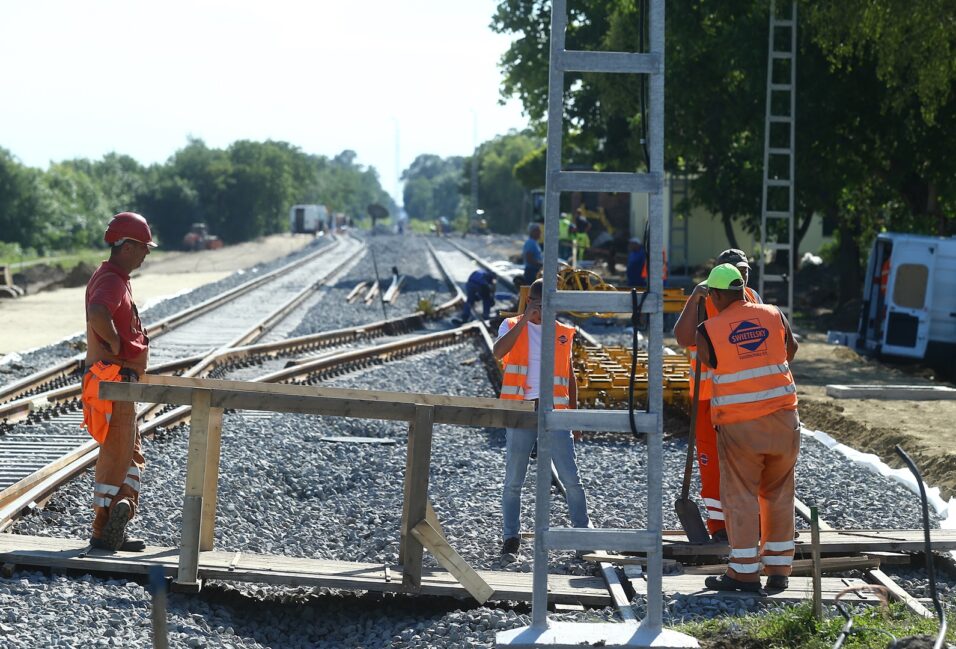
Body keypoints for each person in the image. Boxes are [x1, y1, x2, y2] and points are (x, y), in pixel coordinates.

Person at [694, 263, 799, 595]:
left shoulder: (708, 328)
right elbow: (791, 350)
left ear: (720, 293)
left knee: (740, 497)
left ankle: (743, 573)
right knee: (779, 493)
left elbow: (710, 361)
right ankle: (779, 570)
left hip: (740, 424)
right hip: (785, 420)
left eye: (712, 293)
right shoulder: (773, 314)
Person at [493, 279, 591, 560]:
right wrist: (525, 319)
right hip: (521, 411)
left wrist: (574, 416)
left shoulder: (563, 332)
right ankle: (511, 536)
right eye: (538, 304)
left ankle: (582, 536)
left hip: (555, 412)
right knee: (514, 479)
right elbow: (499, 352)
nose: (544, 310)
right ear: (530, 302)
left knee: (571, 478)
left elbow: (569, 375)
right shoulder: (511, 326)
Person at [673, 248, 762, 542]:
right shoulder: (705, 300)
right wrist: (694, 299)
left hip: (742, 397)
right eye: (737, 269)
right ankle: (719, 526)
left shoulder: (754, 299)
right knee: (712, 463)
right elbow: (683, 337)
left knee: (747, 462)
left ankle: (751, 522)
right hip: (707, 398)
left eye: (746, 269)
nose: (744, 274)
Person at [82, 212, 156, 552]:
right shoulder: (111, 280)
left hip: (120, 382)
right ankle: (102, 529)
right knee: (117, 455)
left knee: (132, 455)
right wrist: (113, 344)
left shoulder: (116, 277)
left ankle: (121, 511)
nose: (147, 253)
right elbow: (98, 312)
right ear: (126, 246)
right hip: (115, 381)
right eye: (143, 247)